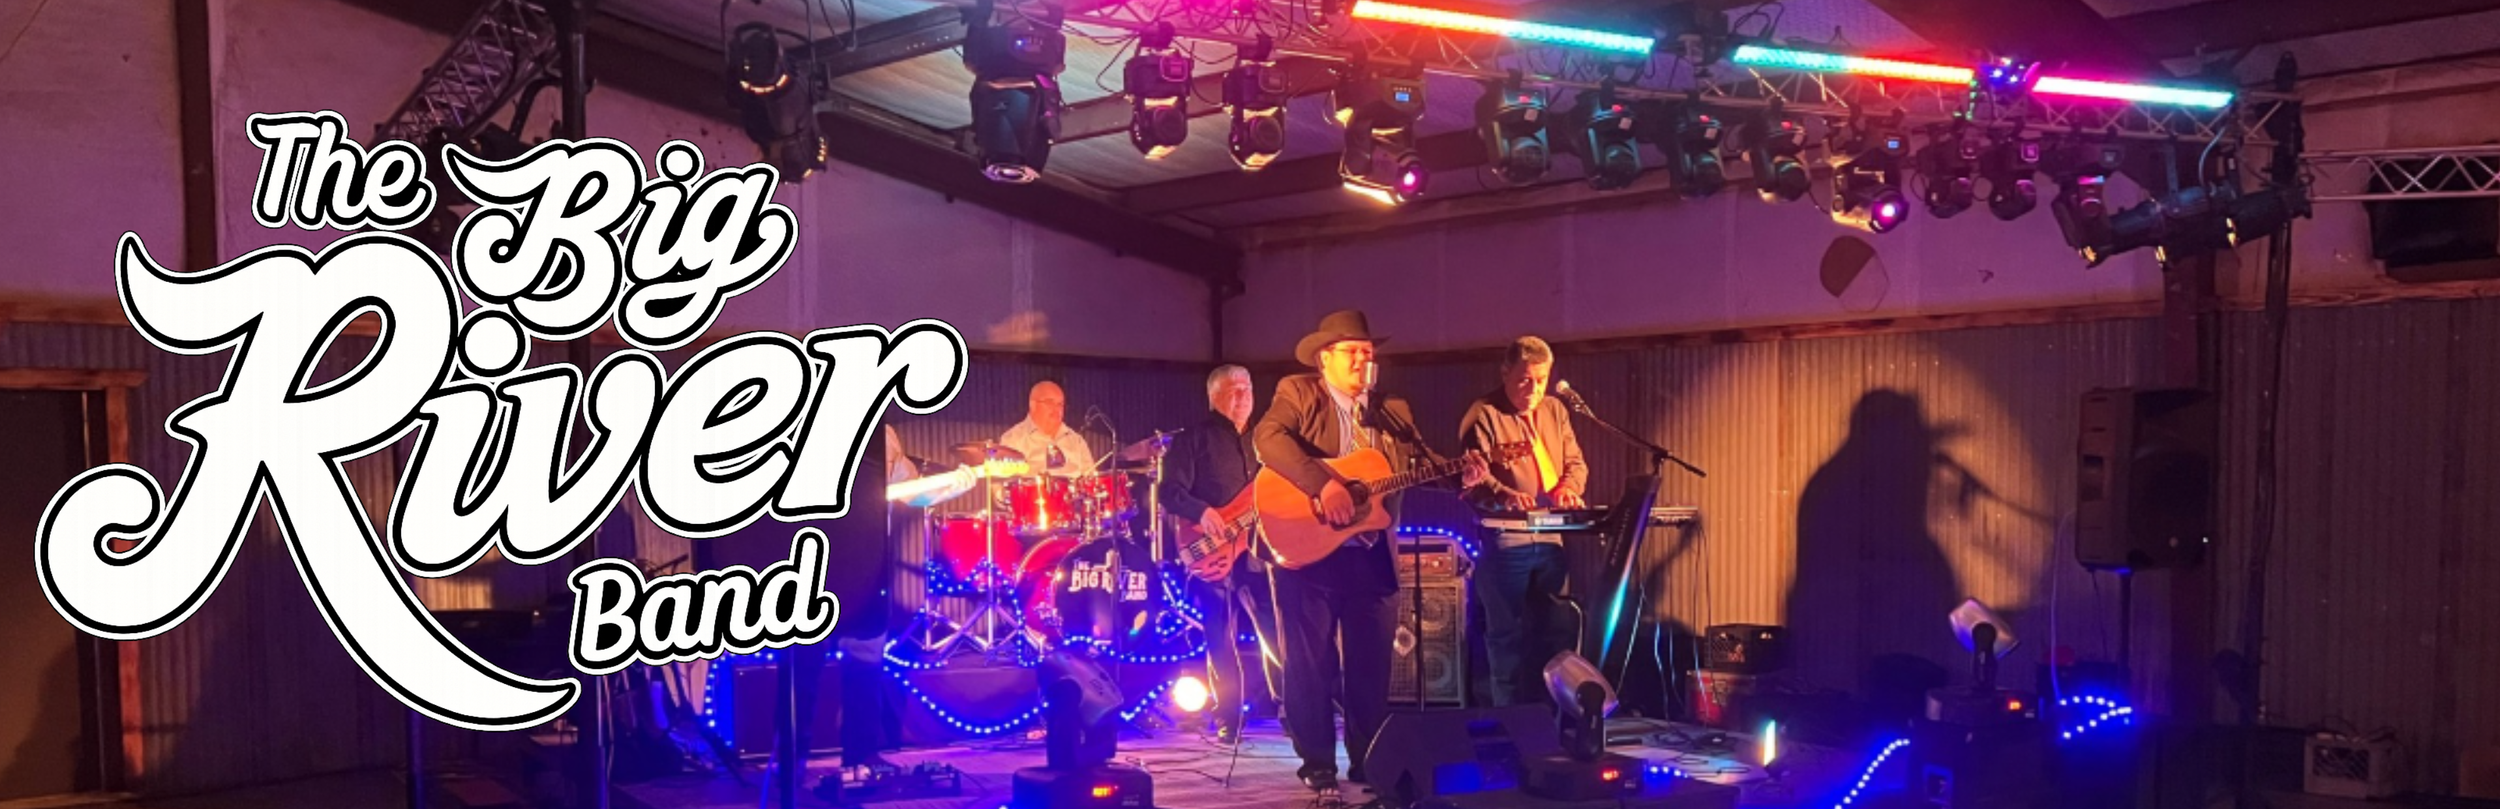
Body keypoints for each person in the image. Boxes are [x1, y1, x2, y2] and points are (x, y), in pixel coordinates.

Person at [1253, 310, 1486, 792]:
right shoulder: (1299, 393)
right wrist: (1323, 485)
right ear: (1325, 359)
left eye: (1368, 352)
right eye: (1352, 352)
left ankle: (1371, 762)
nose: (1363, 360)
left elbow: (1415, 464)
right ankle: (1318, 764)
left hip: (1369, 555)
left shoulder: (1392, 409)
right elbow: (1267, 439)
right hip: (1307, 550)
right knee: (1309, 664)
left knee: (1372, 667)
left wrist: (1459, 476)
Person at [1459, 336, 1590, 708]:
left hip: (1551, 536)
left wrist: (1568, 488)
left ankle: (1551, 717)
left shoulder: (1554, 409)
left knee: (1554, 632)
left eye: (1541, 379)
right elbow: (1472, 477)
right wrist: (1505, 495)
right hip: (1505, 539)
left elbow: (1575, 462)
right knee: (1506, 638)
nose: (1533, 389)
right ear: (1505, 372)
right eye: (1524, 380)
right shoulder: (1484, 414)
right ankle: (1510, 723)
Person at [1158, 365, 1284, 744]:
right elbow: (1169, 492)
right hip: (1210, 549)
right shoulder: (1193, 440)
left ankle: (1290, 710)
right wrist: (1202, 512)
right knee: (1220, 637)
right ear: (1214, 397)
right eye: (1234, 390)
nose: (1244, 396)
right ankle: (1228, 716)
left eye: (1248, 389)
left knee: (1275, 632)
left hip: (1260, 549)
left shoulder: (1267, 441)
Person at [999, 380, 1096, 474]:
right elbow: (1005, 481)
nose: (1056, 409)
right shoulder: (1013, 439)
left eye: (1060, 404)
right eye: (1050, 403)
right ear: (1033, 405)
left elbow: (1091, 479)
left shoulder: (1077, 442)